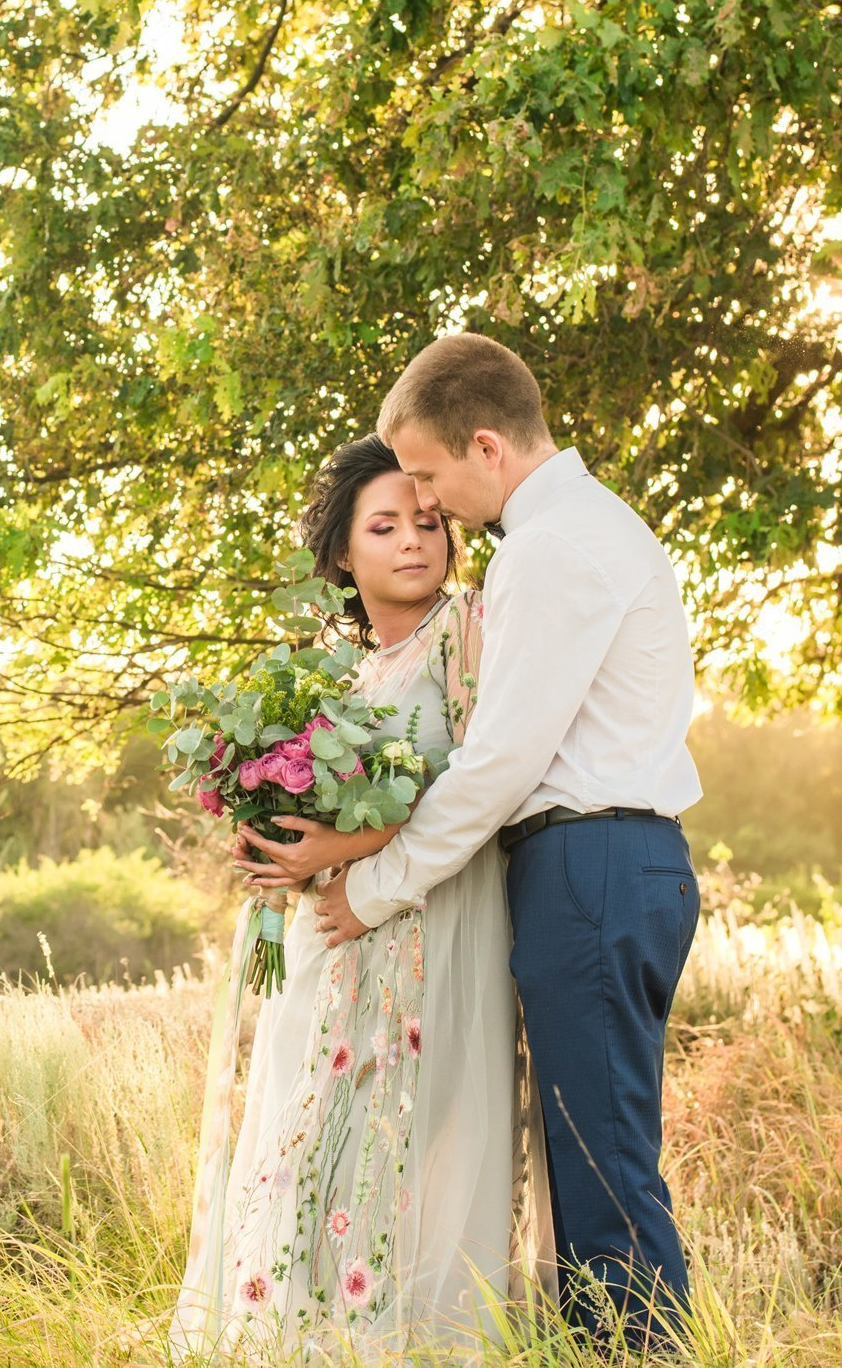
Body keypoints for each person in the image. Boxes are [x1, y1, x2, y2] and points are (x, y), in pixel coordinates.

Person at [315, 333, 703, 1346]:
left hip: (594, 865)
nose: (430, 506)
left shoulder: (550, 547)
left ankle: (640, 1356)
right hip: (605, 864)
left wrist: (376, 886)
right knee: (588, 1163)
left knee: (604, 1169)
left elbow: (497, 762)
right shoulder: (584, 528)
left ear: (485, 446)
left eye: (432, 476)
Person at [170, 434, 551, 1363]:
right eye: (384, 526)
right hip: (335, 942)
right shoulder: (332, 671)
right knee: (314, 1146)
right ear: (343, 551)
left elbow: (486, 777)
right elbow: (319, 792)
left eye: (429, 521)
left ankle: (426, 1345)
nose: (414, 541)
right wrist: (273, 833)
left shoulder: (472, 628)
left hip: (438, 921)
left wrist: (349, 844)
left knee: (427, 1144)